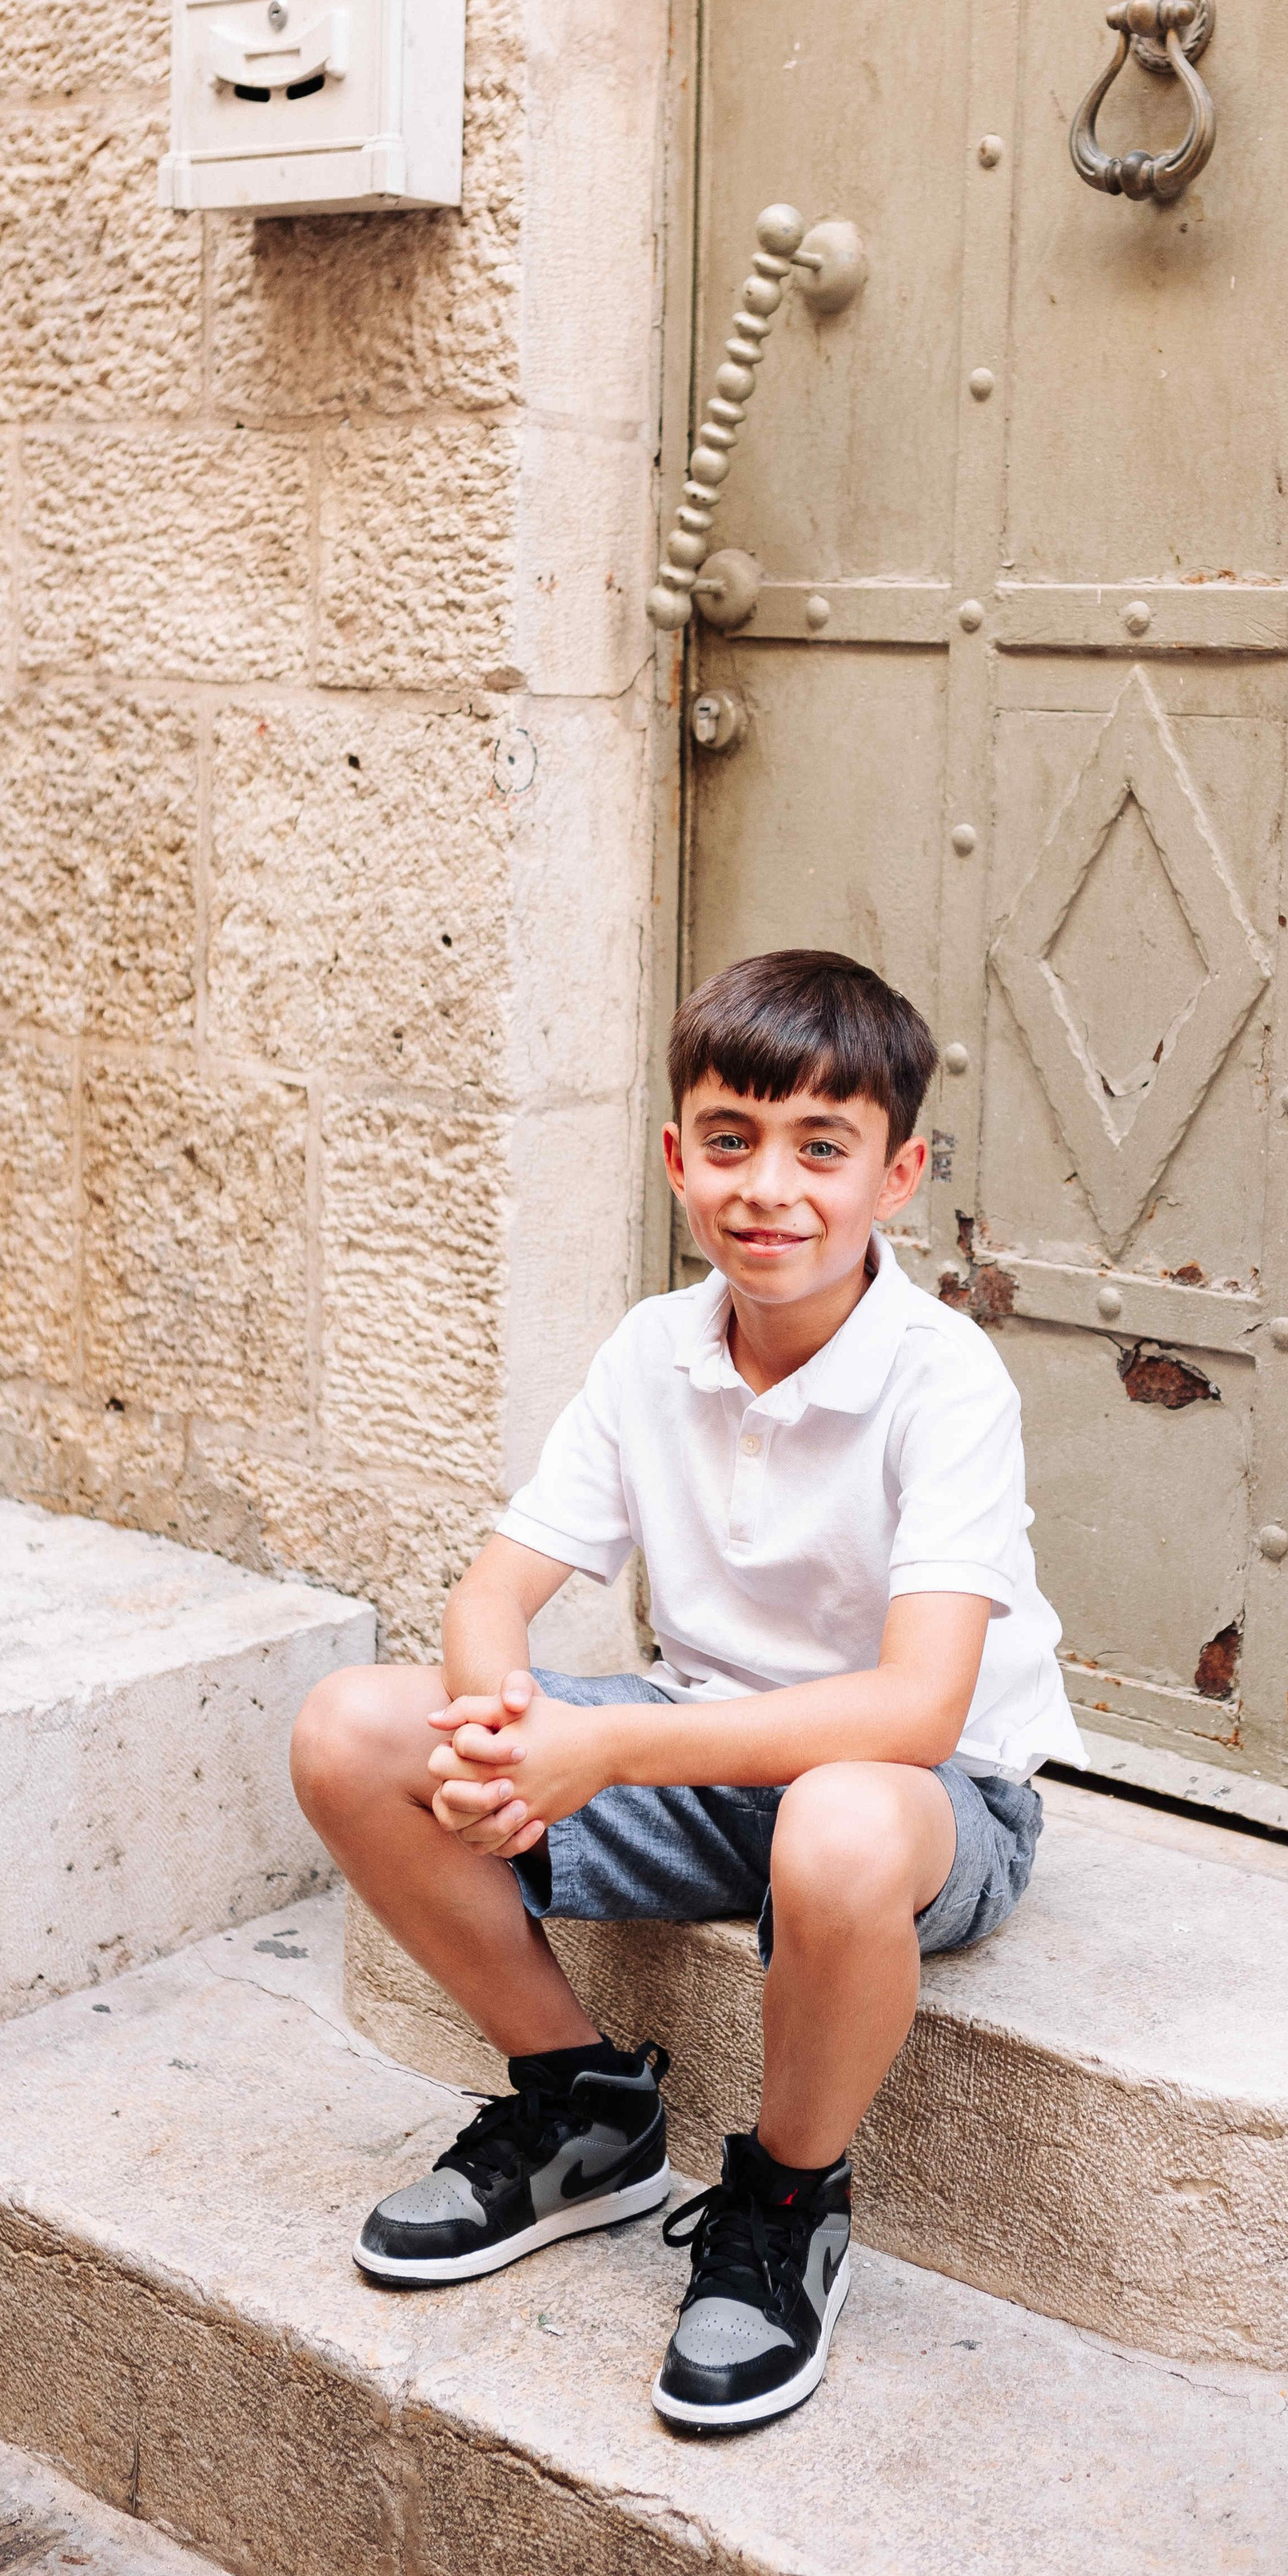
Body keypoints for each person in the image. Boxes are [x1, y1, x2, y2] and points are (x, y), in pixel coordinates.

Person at [289, 947, 1083, 2430]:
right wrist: (494, 1741)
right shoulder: (655, 1348)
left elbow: (916, 1712)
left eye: (821, 1149)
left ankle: (785, 2200)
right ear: (676, 1156)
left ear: (897, 1175)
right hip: (699, 1754)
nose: (767, 1186)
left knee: (839, 1822)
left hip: (922, 1801)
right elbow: (495, 1592)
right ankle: (582, 2108)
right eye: (730, 1140)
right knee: (352, 1730)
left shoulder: (945, 1376)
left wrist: (596, 1749)